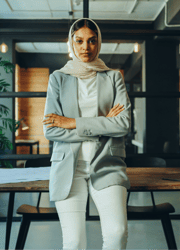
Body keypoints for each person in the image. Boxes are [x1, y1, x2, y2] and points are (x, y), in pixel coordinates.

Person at [42, 18, 131, 250]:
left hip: (107, 164)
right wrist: (103, 125)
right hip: (68, 168)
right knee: (74, 242)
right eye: (79, 41)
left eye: (92, 41)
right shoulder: (58, 78)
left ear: (98, 42)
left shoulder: (113, 77)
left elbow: (122, 124)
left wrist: (72, 123)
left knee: (117, 233)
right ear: (71, 42)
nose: (86, 47)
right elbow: (51, 129)